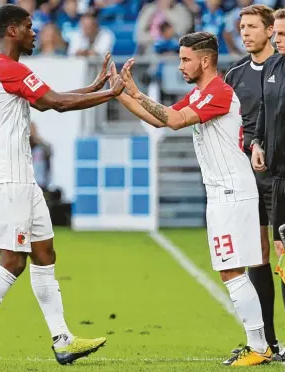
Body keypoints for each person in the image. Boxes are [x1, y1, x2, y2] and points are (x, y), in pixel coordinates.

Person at [0, 3, 124, 367]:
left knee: (44, 254)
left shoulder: (1, 69)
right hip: (7, 175)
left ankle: (62, 340)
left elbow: (46, 102)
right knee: (12, 261)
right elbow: (54, 103)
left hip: (21, 175)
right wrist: (111, 94)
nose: (34, 31)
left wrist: (94, 85)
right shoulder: (8, 69)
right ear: (11, 30)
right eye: (28, 26)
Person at [112, 31, 271, 366]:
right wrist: (118, 94)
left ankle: (259, 346)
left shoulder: (219, 93)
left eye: (185, 59)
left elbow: (172, 120)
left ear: (205, 59)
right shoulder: (200, 94)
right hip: (221, 192)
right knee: (230, 270)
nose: (181, 65)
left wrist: (136, 91)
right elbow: (160, 119)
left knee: (231, 271)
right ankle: (258, 343)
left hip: (232, 190)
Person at [223, 4, 285, 360]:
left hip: (280, 176)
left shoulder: (283, 68)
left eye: (252, 27)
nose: (245, 32)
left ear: (269, 31)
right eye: (242, 27)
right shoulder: (234, 77)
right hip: (248, 179)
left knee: (283, 255)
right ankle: (268, 342)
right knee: (256, 256)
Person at [251, 6, 285, 362]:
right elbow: (264, 108)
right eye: (276, 34)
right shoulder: (274, 67)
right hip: (279, 180)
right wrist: (258, 142)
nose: (278, 41)